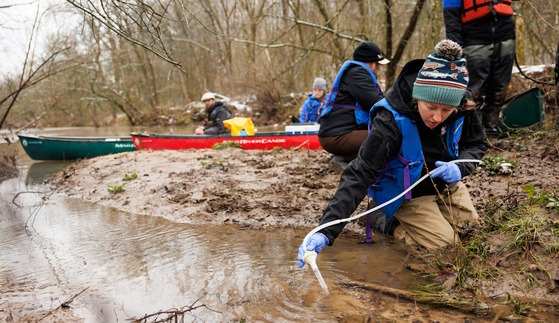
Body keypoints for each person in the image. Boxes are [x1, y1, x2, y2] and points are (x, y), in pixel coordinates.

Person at [298, 40, 489, 267]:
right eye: (431, 107)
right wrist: (325, 231)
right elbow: (360, 173)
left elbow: (477, 145)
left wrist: (460, 167)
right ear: (418, 96)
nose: (437, 117)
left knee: (473, 233)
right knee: (447, 246)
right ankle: (384, 220)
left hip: (446, 186)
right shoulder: (390, 119)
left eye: (446, 110)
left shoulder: (461, 102)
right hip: (407, 194)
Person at [443, 0, 515, 137]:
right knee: (473, 88)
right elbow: (450, 14)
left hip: (505, 30)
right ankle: (471, 133)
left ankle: (491, 130)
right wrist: (455, 44)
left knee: (500, 86)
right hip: (474, 35)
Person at [317, 41, 389, 168]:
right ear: (369, 61)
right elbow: (376, 103)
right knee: (385, 136)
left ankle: (343, 157)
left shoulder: (355, 73)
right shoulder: (357, 74)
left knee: (376, 143)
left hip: (337, 134)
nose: (377, 67)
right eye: (376, 64)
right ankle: (344, 162)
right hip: (336, 136)